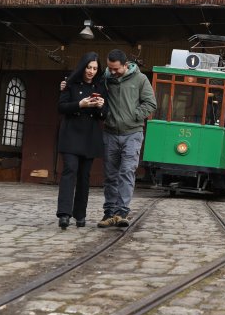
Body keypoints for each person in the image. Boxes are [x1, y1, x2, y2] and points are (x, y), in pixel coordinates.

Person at [97, 49, 157, 228]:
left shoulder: (140, 79)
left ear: (125, 65)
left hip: (133, 133)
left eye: (116, 69)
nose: (112, 72)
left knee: (127, 172)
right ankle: (109, 212)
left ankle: (121, 212)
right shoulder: (105, 78)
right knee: (110, 175)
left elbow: (151, 103)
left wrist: (134, 116)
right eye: (110, 68)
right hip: (110, 133)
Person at [56, 52, 107, 229]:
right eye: (89, 67)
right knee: (70, 170)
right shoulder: (69, 83)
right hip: (71, 134)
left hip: (89, 137)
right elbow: (61, 107)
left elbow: (104, 115)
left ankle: (80, 214)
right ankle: (64, 214)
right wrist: (80, 105)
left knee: (84, 176)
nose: (91, 71)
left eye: (95, 68)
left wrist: (100, 107)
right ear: (82, 67)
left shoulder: (100, 86)